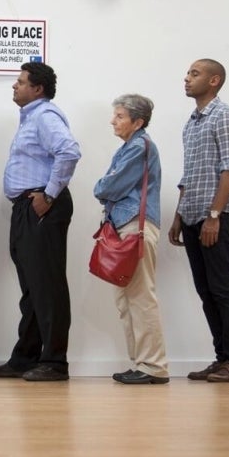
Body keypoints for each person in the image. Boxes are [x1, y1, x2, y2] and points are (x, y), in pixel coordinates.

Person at [0, 62, 81, 382]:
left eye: (20, 82)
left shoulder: (44, 116)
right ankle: (25, 357)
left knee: (48, 286)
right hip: (27, 207)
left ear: (37, 89)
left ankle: (55, 362)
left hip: (42, 205)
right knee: (32, 288)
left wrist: (49, 196)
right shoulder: (30, 118)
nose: (14, 86)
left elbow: (69, 151)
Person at [168, 58, 229, 382]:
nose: (186, 78)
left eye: (194, 73)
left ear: (214, 81)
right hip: (192, 215)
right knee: (206, 289)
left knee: (223, 288)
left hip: (215, 217)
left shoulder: (225, 116)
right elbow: (189, 175)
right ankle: (222, 358)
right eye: (187, 72)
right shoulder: (192, 122)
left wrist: (214, 216)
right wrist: (178, 217)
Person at [93, 94, 169, 384]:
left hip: (135, 227)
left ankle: (154, 367)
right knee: (126, 300)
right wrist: (106, 184)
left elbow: (108, 186)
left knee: (140, 297)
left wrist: (102, 184)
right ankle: (141, 362)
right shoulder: (129, 147)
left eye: (120, 116)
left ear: (138, 122)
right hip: (125, 226)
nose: (113, 120)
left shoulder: (139, 146)